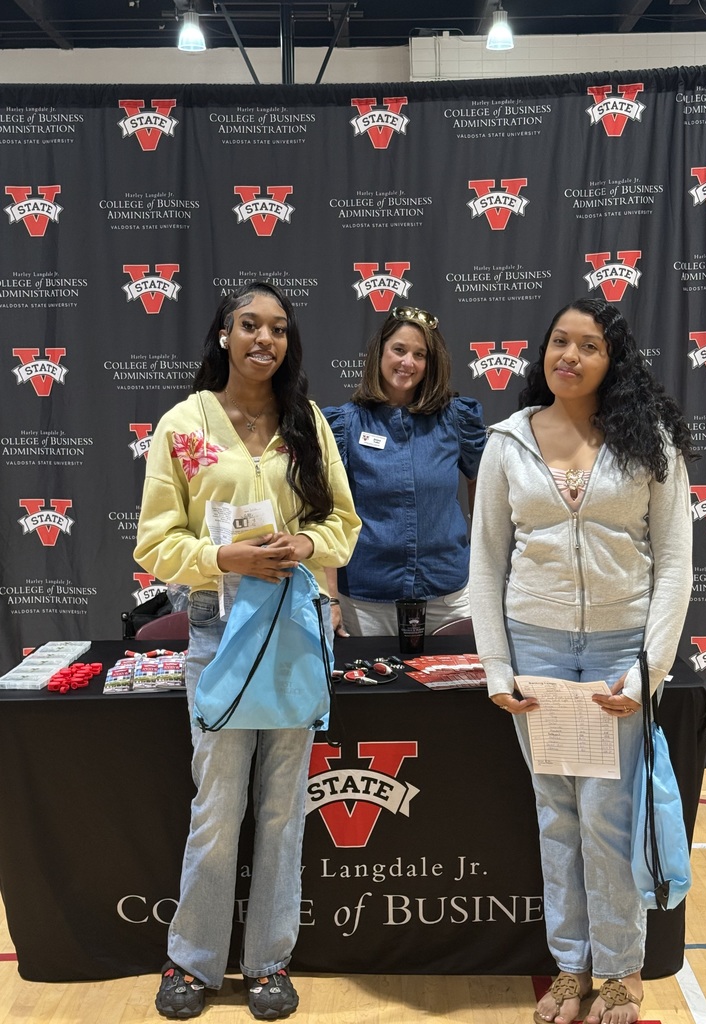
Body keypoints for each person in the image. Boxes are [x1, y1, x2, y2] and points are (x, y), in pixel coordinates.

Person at [134, 281, 360, 1021]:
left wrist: (307, 543)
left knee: (282, 809)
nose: (264, 339)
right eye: (249, 325)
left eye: (279, 329)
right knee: (218, 803)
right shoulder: (183, 424)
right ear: (224, 334)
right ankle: (192, 962)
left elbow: (343, 525)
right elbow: (154, 543)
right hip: (217, 628)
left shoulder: (307, 422)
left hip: (295, 627)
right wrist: (223, 559)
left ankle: (268, 961)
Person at [469, 298, 695, 1024]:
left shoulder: (648, 441)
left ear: (612, 360)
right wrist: (497, 668)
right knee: (555, 814)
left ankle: (622, 972)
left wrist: (647, 668)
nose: (568, 356)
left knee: (607, 816)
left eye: (587, 346)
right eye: (558, 342)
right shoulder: (508, 442)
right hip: (534, 651)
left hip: (612, 656)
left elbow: (676, 564)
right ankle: (569, 969)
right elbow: (486, 561)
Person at [323, 305, 486, 636]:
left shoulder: (456, 418)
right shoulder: (344, 424)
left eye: (419, 354)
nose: (407, 362)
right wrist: (331, 599)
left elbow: (483, 485)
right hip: (367, 601)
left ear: (430, 363)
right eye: (399, 350)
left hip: (449, 597)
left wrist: (482, 553)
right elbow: (327, 513)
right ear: (380, 352)